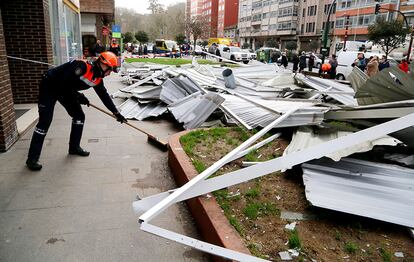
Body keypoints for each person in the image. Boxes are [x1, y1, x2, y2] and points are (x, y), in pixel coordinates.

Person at [25, 52, 127, 171]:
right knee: (45, 121)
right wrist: (78, 96)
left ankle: (74, 147)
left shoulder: (98, 79)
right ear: (103, 64)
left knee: (79, 116)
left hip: (66, 91)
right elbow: (63, 83)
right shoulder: (82, 66)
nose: (109, 73)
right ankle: (32, 158)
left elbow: (104, 96)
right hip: (50, 86)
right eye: (110, 70)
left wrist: (116, 113)